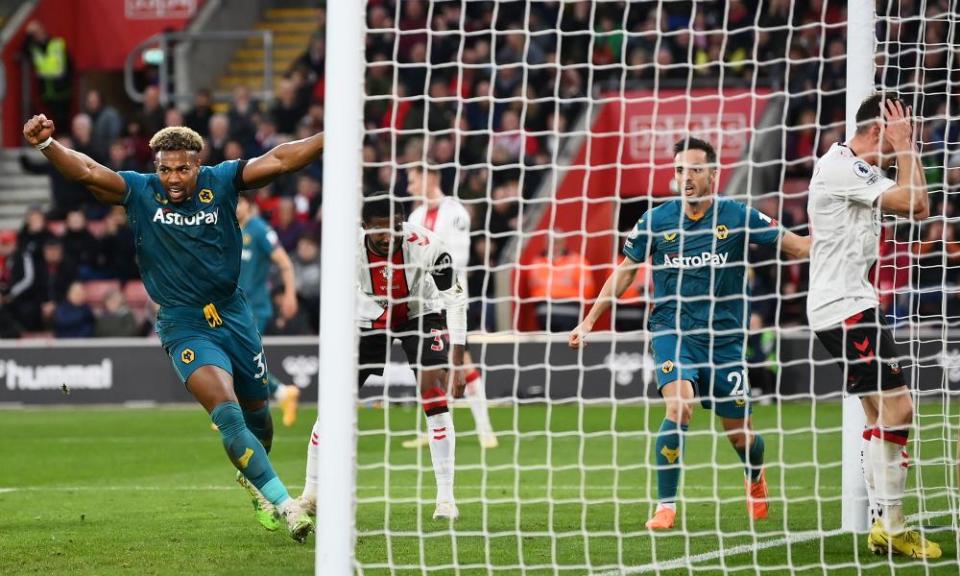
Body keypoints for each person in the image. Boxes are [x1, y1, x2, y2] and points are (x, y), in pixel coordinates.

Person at [22, 112, 324, 542]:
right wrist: (47, 146)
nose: (173, 178)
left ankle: (255, 481)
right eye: (165, 169)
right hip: (184, 323)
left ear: (197, 165)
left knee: (261, 420)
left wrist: (333, 134)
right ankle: (285, 504)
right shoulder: (140, 192)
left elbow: (280, 159)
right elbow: (87, 170)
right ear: (155, 167)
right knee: (228, 412)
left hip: (233, 314)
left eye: (182, 168)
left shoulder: (221, 182)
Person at [569, 137, 811, 530]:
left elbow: (798, 247)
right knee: (679, 407)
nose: (686, 177)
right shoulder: (655, 220)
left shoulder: (737, 215)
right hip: (672, 331)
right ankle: (666, 506)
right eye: (680, 170)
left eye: (695, 169)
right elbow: (626, 271)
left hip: (726, 341)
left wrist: (843, 239)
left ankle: (755, 477)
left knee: (740, 437)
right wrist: (589, 320)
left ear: (713, 175)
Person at [806, 94, 939, 559]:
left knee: (879, 418)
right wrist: (904, 148)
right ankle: (894, 526)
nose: (909, 137)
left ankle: (885, 524)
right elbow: (916, 201)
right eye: (899, 129)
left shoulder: (858, 171)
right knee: (899, 412)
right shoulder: (844, 167)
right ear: (877, 130)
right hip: (846, 308)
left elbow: (919, 208)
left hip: (847, 305)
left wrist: (907, 150)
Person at [298, 195, 468, 521]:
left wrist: (457, 362)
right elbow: (338, 302)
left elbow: (456, 301)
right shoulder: (345, 249)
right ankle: (311, 493)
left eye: (395, 229)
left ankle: (446, 499)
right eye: (380, 232)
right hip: (368, 317)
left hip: (421, 312)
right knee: (335, 404)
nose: (388, 237)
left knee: (433, 392)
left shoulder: (431, 247)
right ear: (365, 228)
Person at [404, 163, 498, 449]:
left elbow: (458, 259)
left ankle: (485, 429)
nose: (409, 187)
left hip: (451, 299)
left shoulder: (455, 212)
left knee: (461, 358)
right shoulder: (416, 214)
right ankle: (435, 428)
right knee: (431, 364)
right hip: (423, 301)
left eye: (412, 180)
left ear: (430, 177)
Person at [236, 192, 301, 426]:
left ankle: (238, 409)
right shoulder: (234, 229)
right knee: (240, 358)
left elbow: (284, 263)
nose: (234, 207)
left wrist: (290, 295)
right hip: (234, 308)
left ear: (249, 204)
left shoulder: (260, 230)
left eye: (238, 202)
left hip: (254, 307)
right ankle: (283, 393)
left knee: (241, 357)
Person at [21, 21, 72, 130]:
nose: (37, 35)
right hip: (46, 90)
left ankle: (64, 142)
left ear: (43, 31)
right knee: (49, 120)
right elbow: (23, 51)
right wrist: (28, 35)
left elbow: (69, 63)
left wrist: (68, 81)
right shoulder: (34, 48)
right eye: (34, 34)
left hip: (61, 88)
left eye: (38, 32)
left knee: (63, 119)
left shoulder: (56, 44)